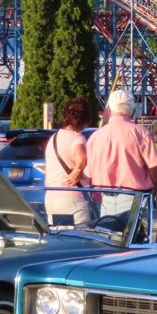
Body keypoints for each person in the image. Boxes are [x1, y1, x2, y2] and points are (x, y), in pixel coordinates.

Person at [85, 90, 157, 215]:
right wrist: (156, 188)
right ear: (132, 112)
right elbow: (153, 168)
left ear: (109, 111)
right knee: (136, 233)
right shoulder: (141, 133)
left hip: (106, 200)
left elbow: (89, 174)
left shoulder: (96, 136)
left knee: (108, 233)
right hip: (135, 198)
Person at [43, 97, 94, 227]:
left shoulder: (53, 138)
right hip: (71, 198)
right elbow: (82, 158)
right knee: (79, 237)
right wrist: (78, 170)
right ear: (84, 119)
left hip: (51, 197)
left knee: (59, 238)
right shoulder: (77, 138)